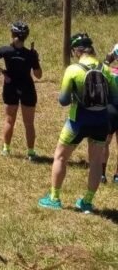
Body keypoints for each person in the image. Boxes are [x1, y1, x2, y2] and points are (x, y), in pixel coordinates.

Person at [38, 33, 118, 213]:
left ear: (77, 50)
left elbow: (63, 100)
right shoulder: (105, 69)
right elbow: (114, 97)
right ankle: (87, 202)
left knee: (60, 157)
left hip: (78, 120)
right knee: (96, 162)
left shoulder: (73, 70)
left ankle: (54, 198)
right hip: (101, 120)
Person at [0, 22, 42, 159]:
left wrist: (3, 71)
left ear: (12, 35)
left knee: (9, 120)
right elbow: (38, 75)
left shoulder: (4, 50)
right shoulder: (30, 54)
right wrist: (36, 59)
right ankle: (31, 153)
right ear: (25, 37)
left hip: (10, 86)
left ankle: (6, 149)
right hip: (27, 88)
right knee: (29, 123)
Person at [101, 43, 118, 183]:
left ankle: (101, 174)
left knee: (105, 142)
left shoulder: (108, 70)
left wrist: (107, 60)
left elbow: (98, 74)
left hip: (111, 108)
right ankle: (117, 176)